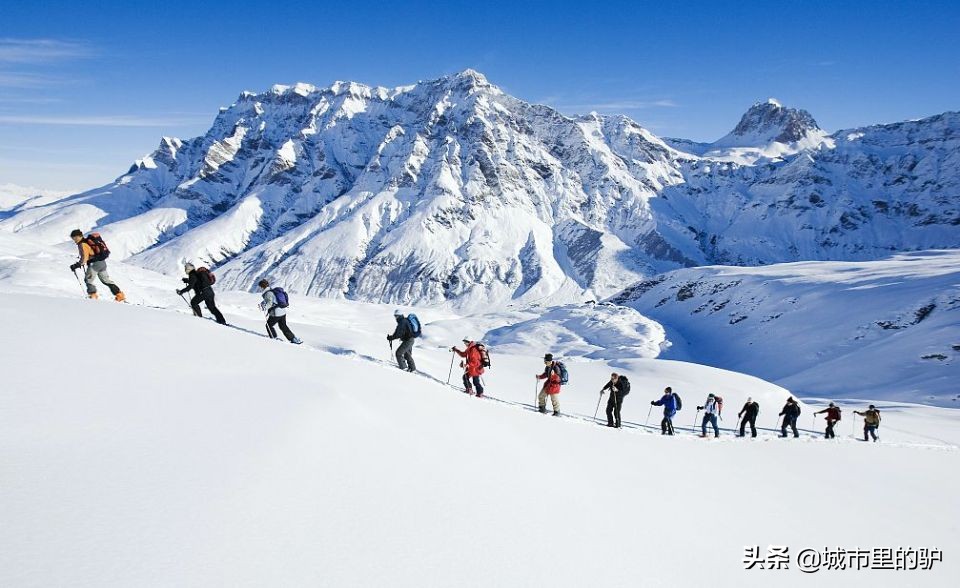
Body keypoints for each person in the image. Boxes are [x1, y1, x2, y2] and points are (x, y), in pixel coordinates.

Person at [68, 229, 125, 301]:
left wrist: (77, 265)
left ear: (79, 236)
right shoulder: (87, 242)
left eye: (75, 238)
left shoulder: (82, 244)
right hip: (102, 262)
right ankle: (120, 295)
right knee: (106, 280)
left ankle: (93, 297)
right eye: (73, 238)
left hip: (94, 264)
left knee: (88, 280)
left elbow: (84, 257)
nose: (74, 240)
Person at [258, 279, 302, 344]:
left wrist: (263, 308)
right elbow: (272, 300)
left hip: (276, 313)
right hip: (282, 312)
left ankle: (273, 339)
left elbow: (269, 303)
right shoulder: (272, 290)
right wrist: (263, 303)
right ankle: (294, 339)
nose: (260, 288)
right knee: (283, 326)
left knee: (269, 325)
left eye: (260, 287)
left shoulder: (267, 293)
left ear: (262, 287)